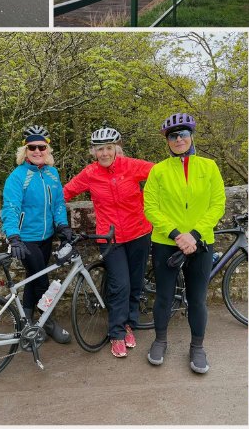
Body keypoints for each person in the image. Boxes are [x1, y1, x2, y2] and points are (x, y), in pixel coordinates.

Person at [142, 113, 225, 374]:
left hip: (200, 242)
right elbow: (150, 208)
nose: (179, 139)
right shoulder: (158, 171)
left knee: (197, 299)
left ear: (191, 137)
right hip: (167, 241)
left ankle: (197, 347)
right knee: (164, 297)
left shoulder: (209, 167)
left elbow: (217, 205)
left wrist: (195, 235)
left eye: (183, 135)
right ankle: (160, 340)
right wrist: (177, 234)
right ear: (167, 141)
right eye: (173, 136)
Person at [63, 127, 155, 358]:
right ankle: (115, 333)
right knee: (119, 285)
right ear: (93, 151)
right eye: (99, 149)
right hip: (109, 237)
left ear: (116, 148)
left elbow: (162, 175)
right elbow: (64, 193)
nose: (104, 153)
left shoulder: (131, 165)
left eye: (108, 148)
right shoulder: (89, 173)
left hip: (139, 233)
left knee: (135, 283)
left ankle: (128, 325)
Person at [0, 124, 73, 344]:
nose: (37, 151)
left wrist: (62, 226)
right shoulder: (18, 176)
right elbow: (10, 208)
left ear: (47, 149)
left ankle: (27, 320)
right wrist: (13, 237)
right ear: (25, 150)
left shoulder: (52, 173)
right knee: (42, 280)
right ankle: (48, 321)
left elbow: (58, 203)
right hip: (26, 239)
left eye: (42, 147)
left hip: (47, 237)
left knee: (32, 279)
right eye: (32, 147)